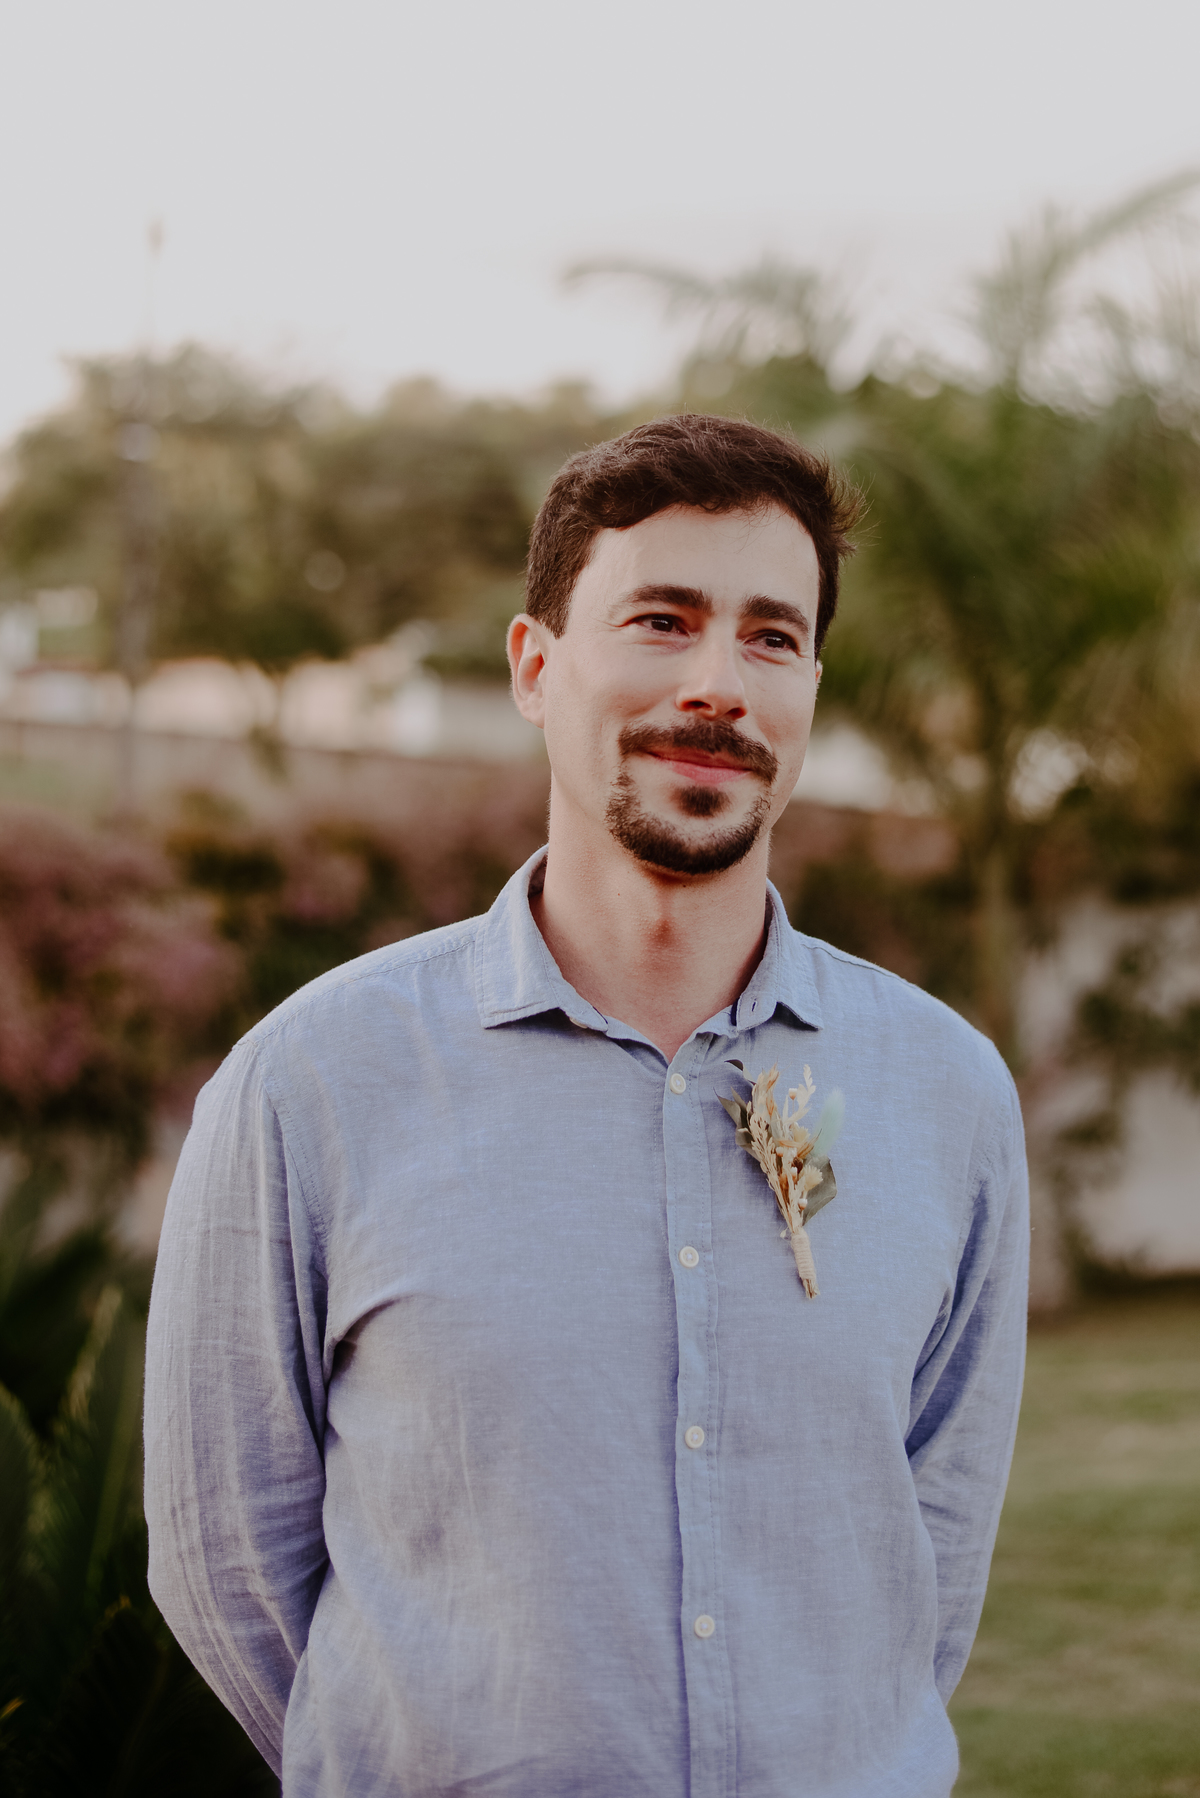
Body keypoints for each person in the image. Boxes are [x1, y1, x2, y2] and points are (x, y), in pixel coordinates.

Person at [144, 413, 1029, 1798]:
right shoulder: (309, 1083)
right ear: (535, 666)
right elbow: (224, 1551)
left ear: (810, 687)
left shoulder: (949, 1092)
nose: (719, 684)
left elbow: (936, 1542)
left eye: (772, 636)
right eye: (662, 621)